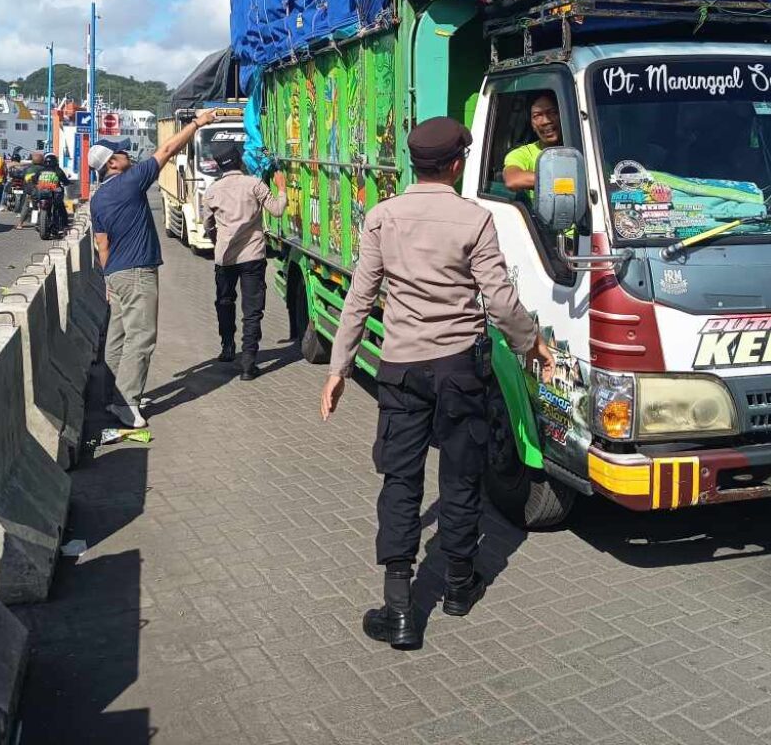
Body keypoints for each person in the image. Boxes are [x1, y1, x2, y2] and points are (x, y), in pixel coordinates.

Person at [320, 116, 555, 649]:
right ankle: (456, 585)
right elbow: (499, 302)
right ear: (456, 164)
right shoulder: (473, 220)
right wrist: (531, 342)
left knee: (400, 482)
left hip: (400, 371)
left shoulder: (382, 217)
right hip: (459, 369)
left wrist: (339, 368)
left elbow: (360, 299)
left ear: (414, 162)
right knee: (461, 477)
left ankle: (399, 611)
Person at [91, 112, 219, 428]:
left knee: (118, 337)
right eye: (121, 152)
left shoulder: (98, 198)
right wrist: (197, 124)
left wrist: (108, 278)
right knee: (142, 337)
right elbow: (166, 151)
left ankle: (111, 396)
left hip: (117, 274)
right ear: (111, 164)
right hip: (137, 273)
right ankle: (126, 402)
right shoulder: (130, 181)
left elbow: (102, 244)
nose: (127, 154)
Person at [201, 141, 287, 380]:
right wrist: (281, 188)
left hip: (225, 258)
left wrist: (219, 239)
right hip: (253, 256)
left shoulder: (213, 191)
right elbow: (278, 210)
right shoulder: (254, 184)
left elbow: (207, 224)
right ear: (239, 161)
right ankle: (248, 364)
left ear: (219, 166)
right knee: (252, 311)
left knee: (225, 302)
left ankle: (227, 347)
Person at [502, 92, 563, 197]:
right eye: (537, 115)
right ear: (532, 124)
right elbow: (512, 179)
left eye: (552, 112)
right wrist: (565, 184)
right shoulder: (523, 154)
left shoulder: (585, 145)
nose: (545, 121)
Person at [15, 150, 46, 229]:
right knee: (41, 207)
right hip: (42, 191)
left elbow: (20, 175)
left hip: (30, 191)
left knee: (26, 206)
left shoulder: (28, 169)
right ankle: (38, 222)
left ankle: (20, 224)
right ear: (42, 160)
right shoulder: (45, 169)